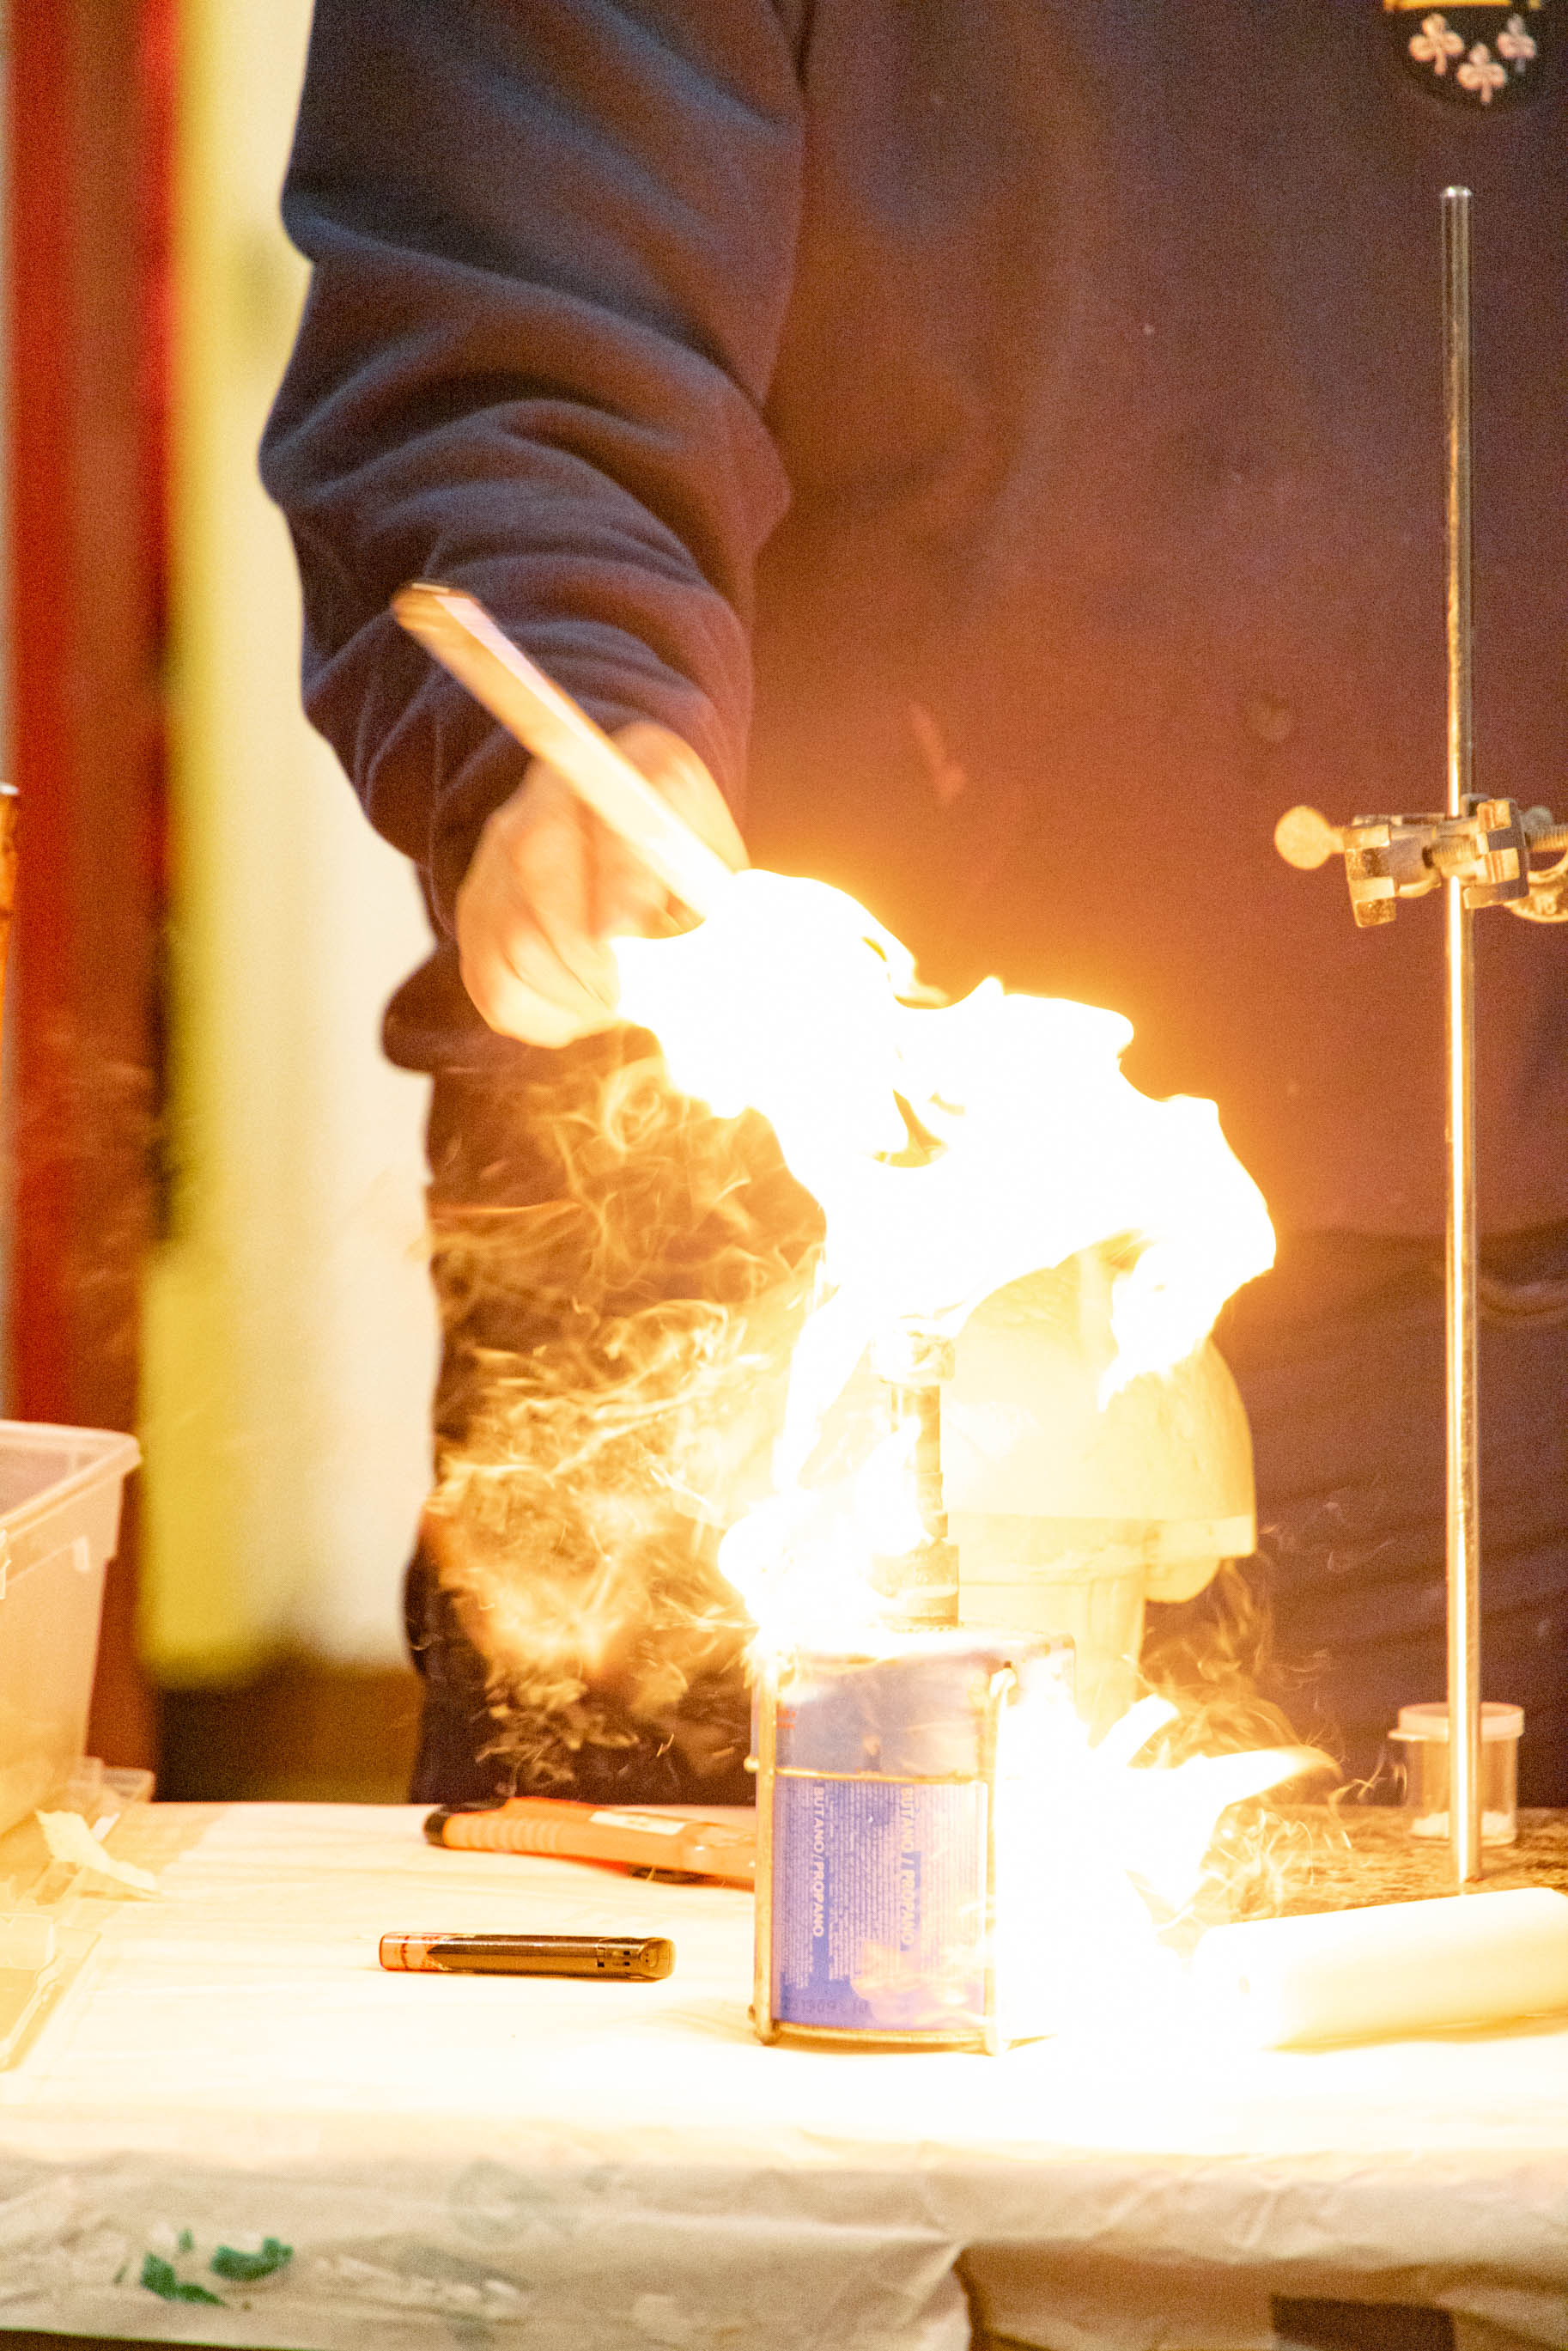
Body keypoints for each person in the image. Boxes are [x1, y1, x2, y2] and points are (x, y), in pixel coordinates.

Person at [262, 0, 1568, 1806]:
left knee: (1451, 1982)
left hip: (1483, 1336)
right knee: (724, 1978)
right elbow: (510, 306)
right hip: (773, 1321)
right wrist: (585, 704)